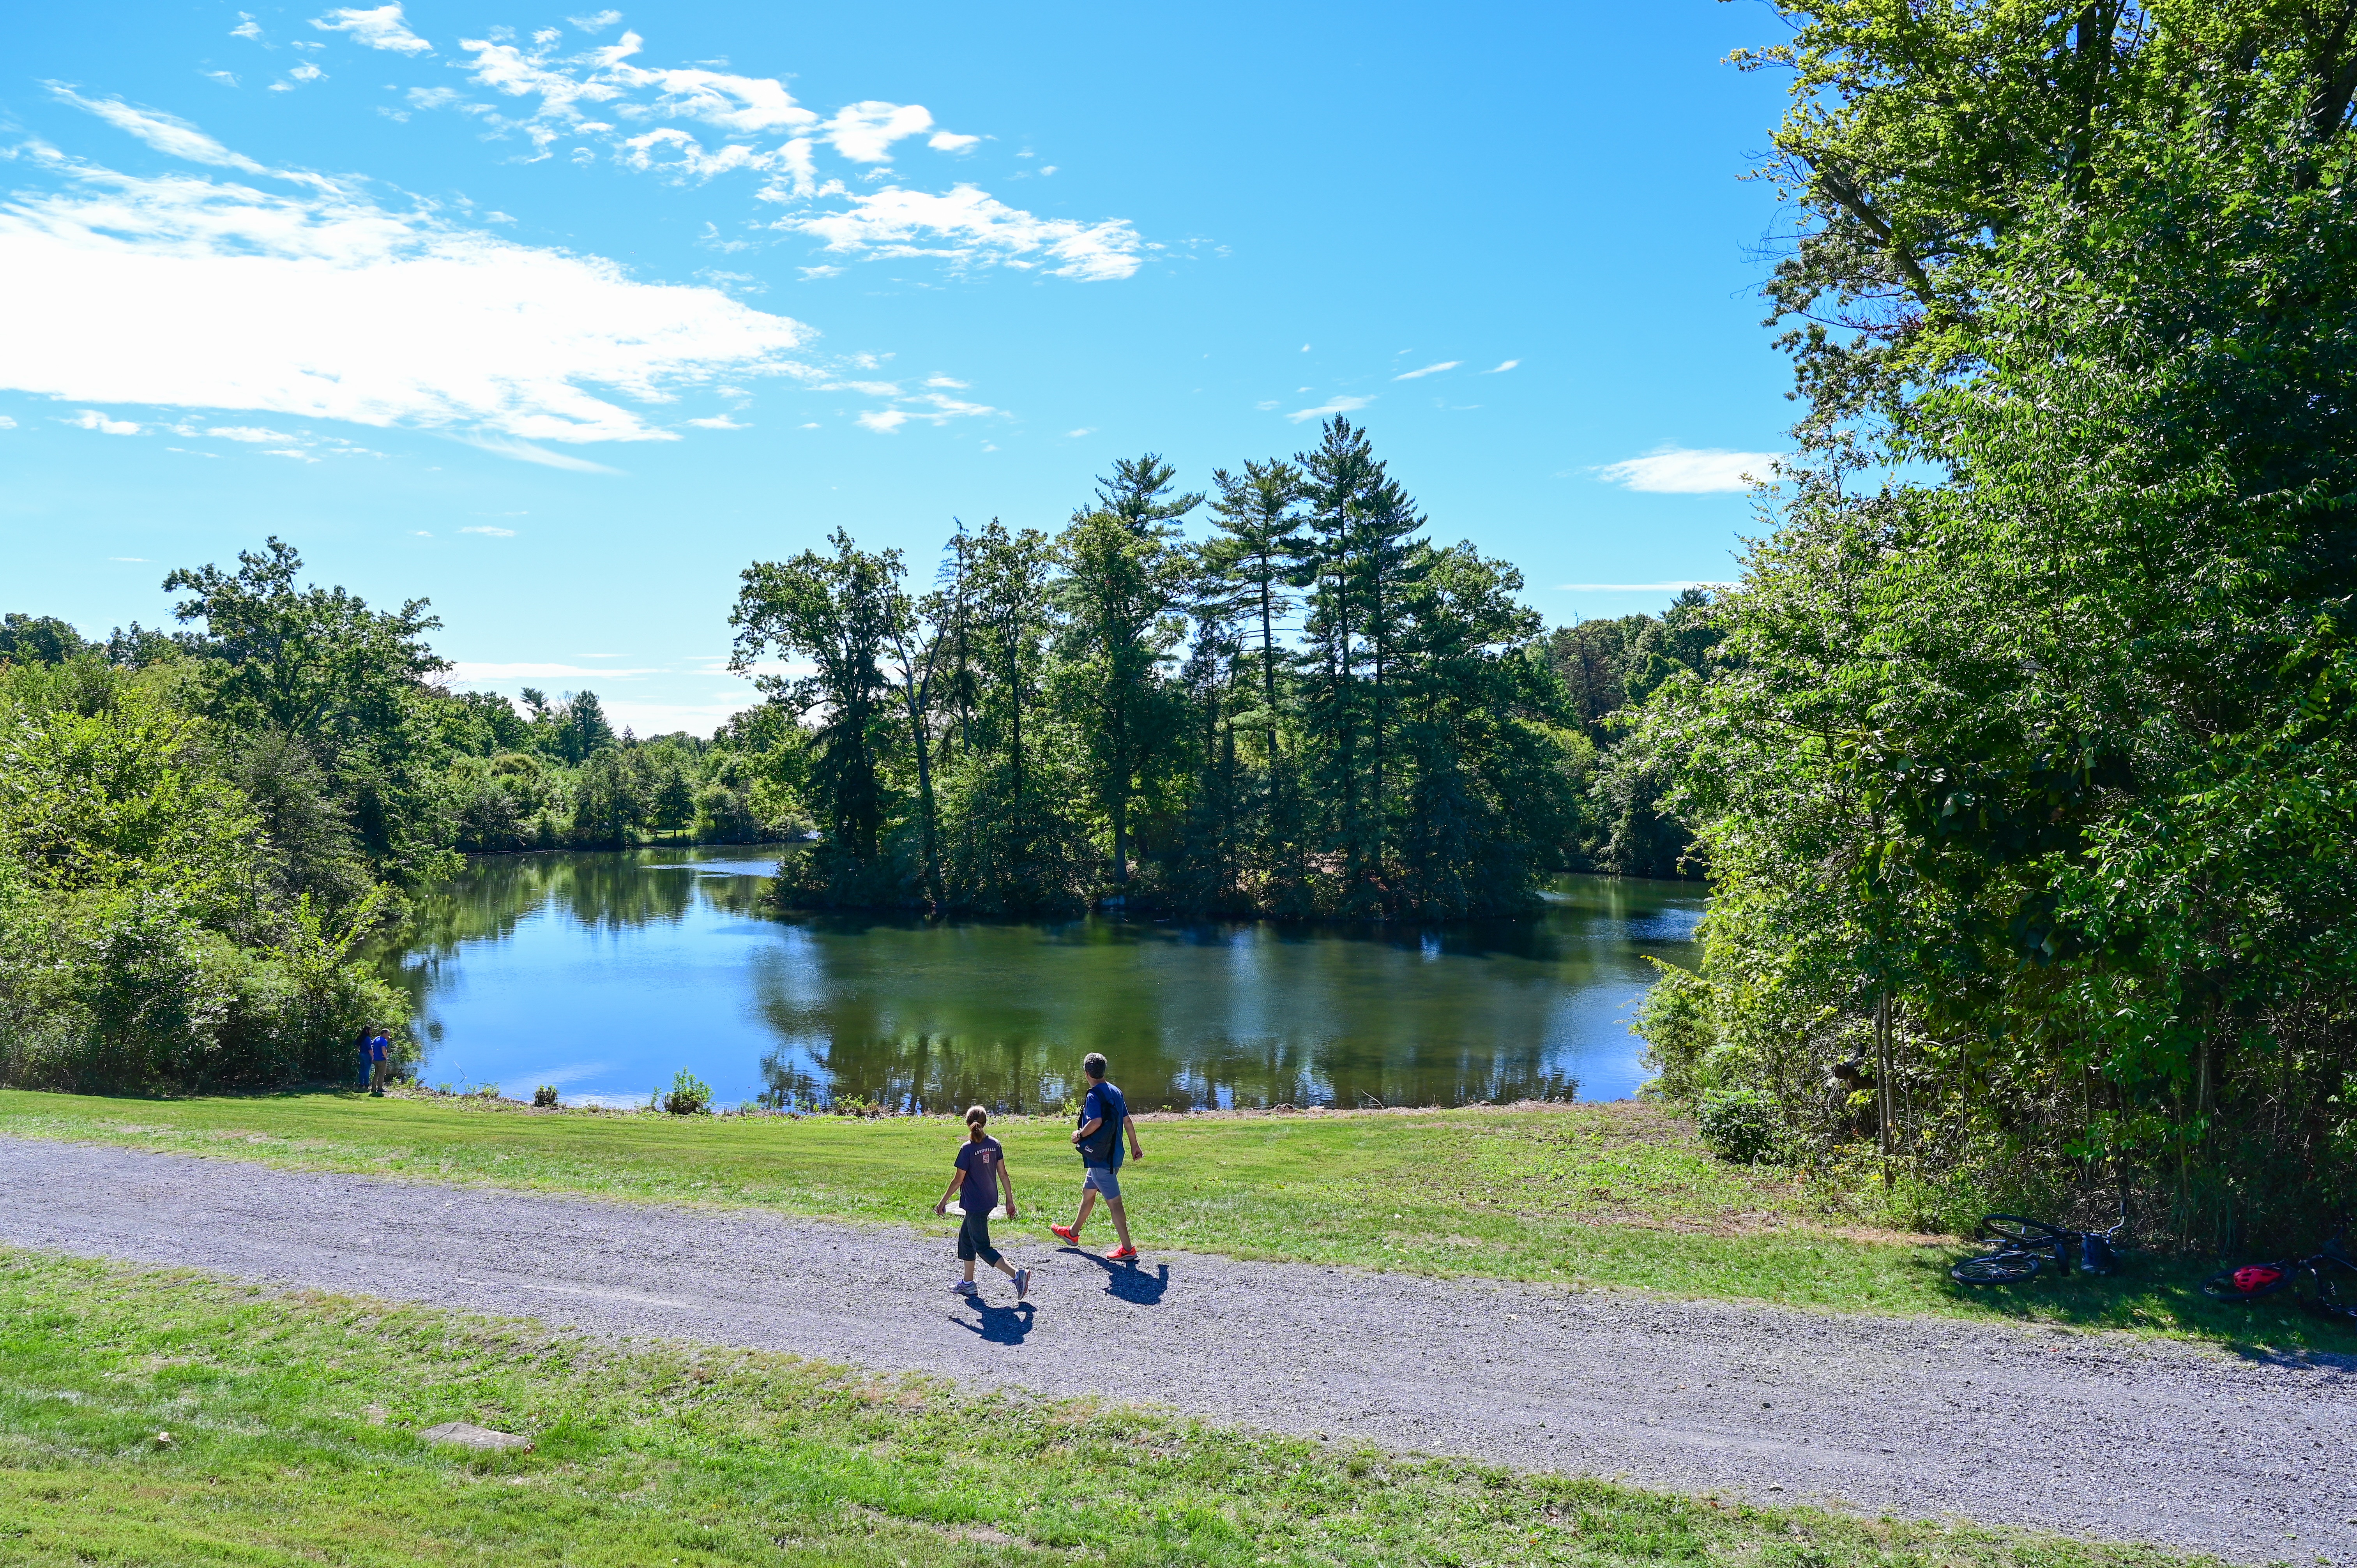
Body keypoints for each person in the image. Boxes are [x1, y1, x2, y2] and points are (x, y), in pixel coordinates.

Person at [1052, 1052, 1144, 1261]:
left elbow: (1096, 1122)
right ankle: (1073, 1234)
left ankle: (1128, 1249)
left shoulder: (1094, 1095)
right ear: (1104, 1071)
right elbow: (1127, 1121)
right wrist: (1135, 1147)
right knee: (1088, 1193)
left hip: (1102, 1158)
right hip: (1113, 1155)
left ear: (1086, 1073)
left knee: (1115, 1203)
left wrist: (1080, 1134)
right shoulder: (1116, 1091)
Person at [933, 1106, 1031, 1301]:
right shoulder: (995, 1144)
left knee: (983, 1246)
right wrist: (1010, 1201)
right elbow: (1003, 1174)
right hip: (989, 1200)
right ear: (985, 1123)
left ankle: (1017, 1275)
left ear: (968, 1123)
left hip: (975, 1204)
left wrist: (942, 1202)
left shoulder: (967, 1149)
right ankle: (968, 1284)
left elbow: (958, 1180)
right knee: (966, 1239)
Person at [366, 1028, 391, 1096]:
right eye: (388, 1034)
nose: (389, 1036)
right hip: (382, 1060)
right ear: (384, 1034)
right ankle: (380, 1088)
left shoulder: (377, 1039)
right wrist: (386, 1057)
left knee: (376, 1073)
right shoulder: (383, 1041)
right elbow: (383, 1049)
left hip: (375, 1059)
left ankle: (373, 1087)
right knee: (382, 1074)